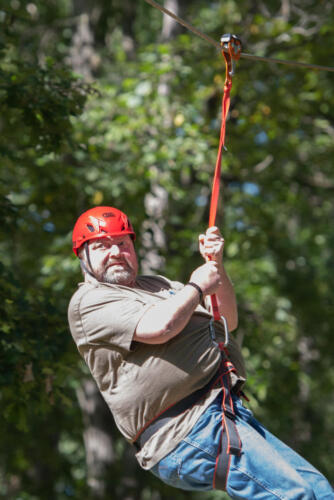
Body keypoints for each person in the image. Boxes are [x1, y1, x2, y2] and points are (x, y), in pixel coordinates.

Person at [68, 205, 333, 499]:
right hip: (184, 429)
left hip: (223, 412)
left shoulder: (158, 285)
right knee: (294, 495)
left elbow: (226, 320)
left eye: (122, 243)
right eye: (102, 246)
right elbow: (161, 326)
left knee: (319, 491)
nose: (116, 252)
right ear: (82, 255)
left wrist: (216, 266)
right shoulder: (89, 302)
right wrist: (196, 285)